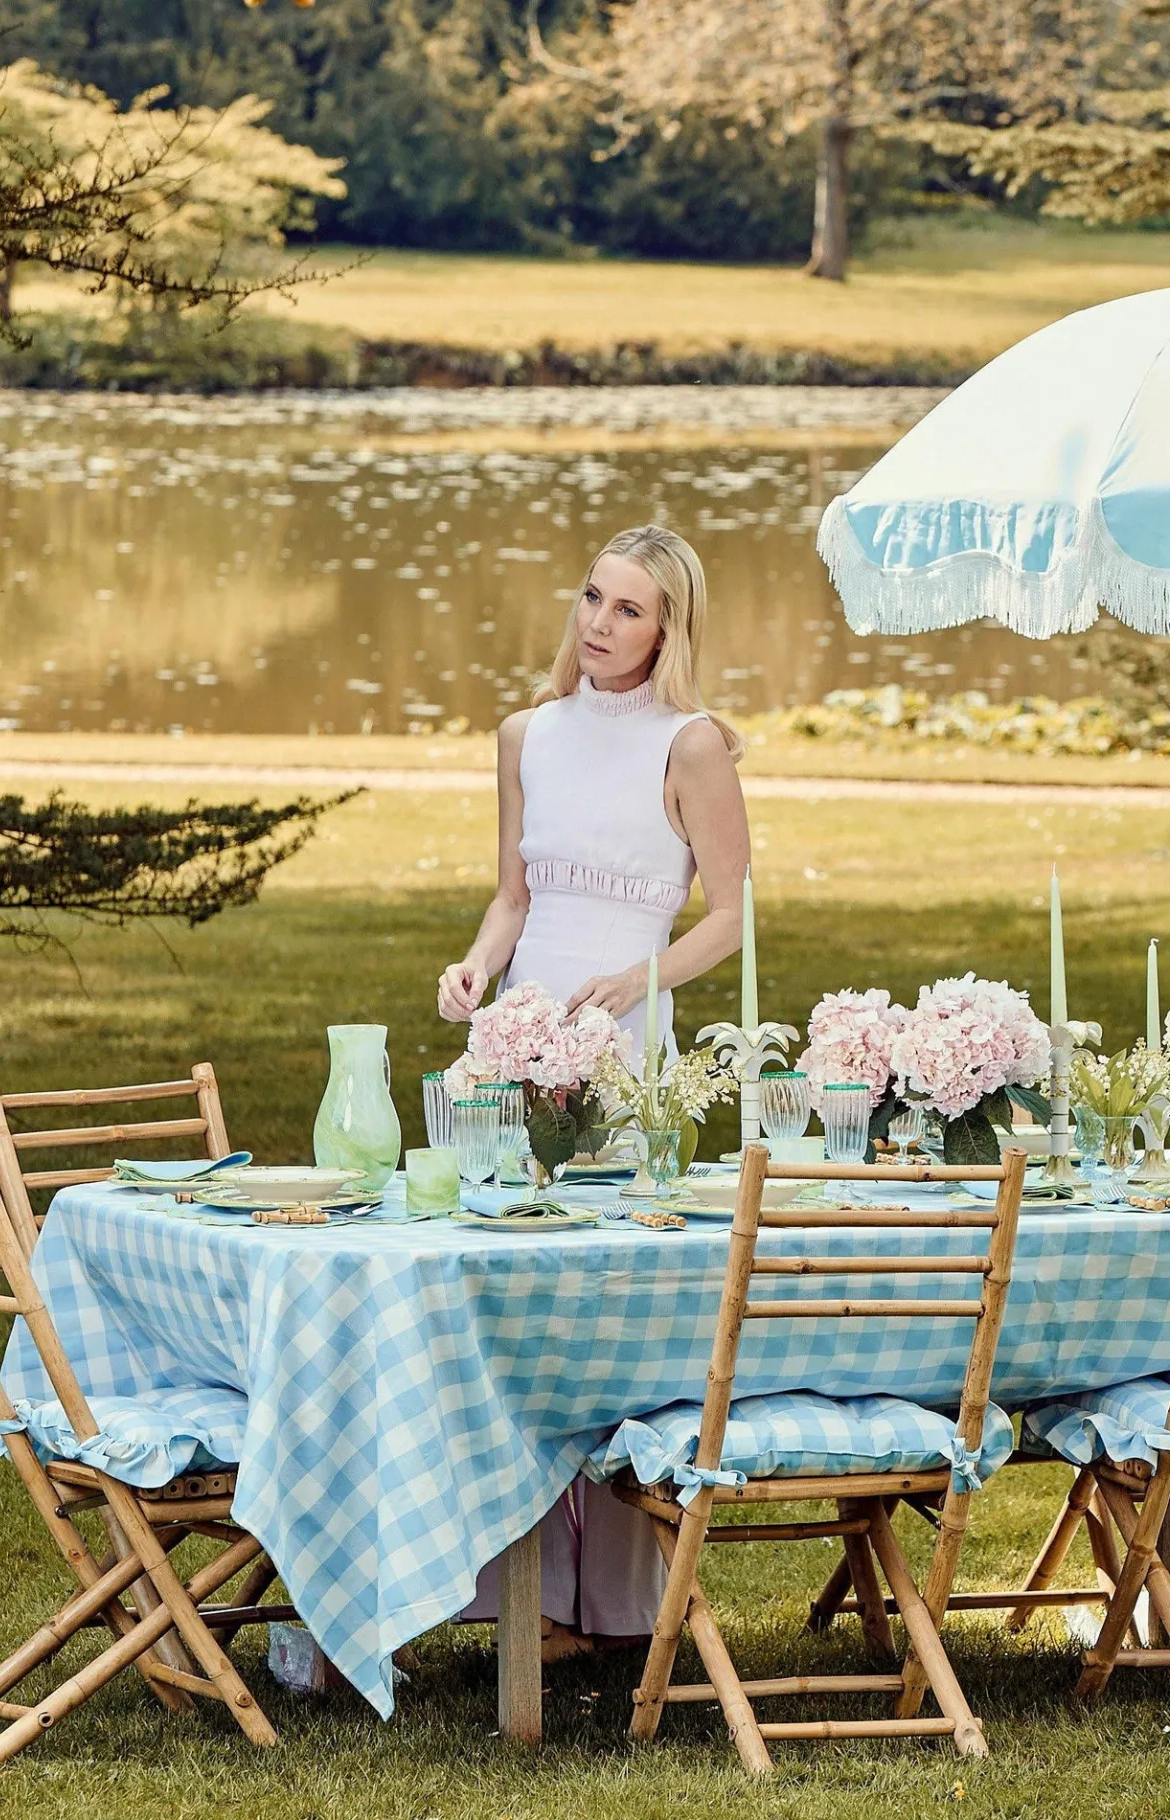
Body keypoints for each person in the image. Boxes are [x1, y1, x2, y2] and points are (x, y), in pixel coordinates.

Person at [437, 523, 749, 1655]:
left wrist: (638, 979)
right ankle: (506, 1585)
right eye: (591, 598)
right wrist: (478, 966)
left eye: (628, 610)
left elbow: (729, 914)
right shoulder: (526, 733)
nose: (600, 624)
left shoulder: (693, 745)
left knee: (607, 1307)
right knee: (502, 1294)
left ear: (667, 629)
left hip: (624, 1042)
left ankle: (612, 1603)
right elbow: (513, 896)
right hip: (518, 1043)